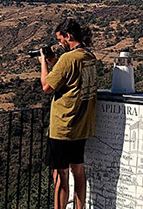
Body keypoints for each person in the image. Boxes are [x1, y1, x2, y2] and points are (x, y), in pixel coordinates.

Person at [39, 18, 98, 209]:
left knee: (60, 175)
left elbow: (47, 86)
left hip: (63, 126)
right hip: (81, 126)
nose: (60, 43)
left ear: (68, 36)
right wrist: (55, 62)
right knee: (78, 171)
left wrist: (44, 63)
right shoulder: (88, 57)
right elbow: (72, 79)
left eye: (60, 39)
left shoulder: (68, 58)